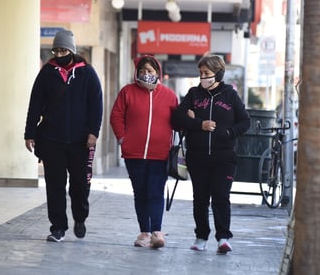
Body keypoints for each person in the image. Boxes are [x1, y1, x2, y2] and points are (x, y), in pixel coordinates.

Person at [24, 29, 103, 242]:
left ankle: (80, 218)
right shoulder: (47, 72)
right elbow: (35, 104)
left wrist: (93, 132)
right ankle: (58, 227)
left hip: (80, 142)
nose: (59, 54)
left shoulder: (87, 72)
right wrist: (29, 133)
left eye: (64, 50)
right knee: (55, 186)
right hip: (52, 140)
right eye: (56, 51)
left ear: (72, 50)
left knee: (79, 185)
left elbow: (96, 105)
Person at [171, 54, 250, 254]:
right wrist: (199, 123)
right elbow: (177, 118)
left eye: (207, 73)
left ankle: (223, 238)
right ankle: (201, 237)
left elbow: (244, 121)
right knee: (200, 199)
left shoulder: (230, 95)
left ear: (218, 74)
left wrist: (229, 132)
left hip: (224, 158)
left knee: (221, 197)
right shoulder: (194, 94)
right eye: (201, 73)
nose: (203, 77)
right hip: (197, 157)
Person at [110, 55, 178, 248]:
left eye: (150, 71)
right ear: (136, 73)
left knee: (155, 192)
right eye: (142, 71)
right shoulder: (127, 92)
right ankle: (144, 233)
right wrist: (123, 139)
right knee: (140, 192)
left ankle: (157, 231)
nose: (146, 74)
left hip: (160, 154)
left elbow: (178, 121)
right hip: (134, 154)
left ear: (157, 73)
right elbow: (116, 116)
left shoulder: (169, 96)